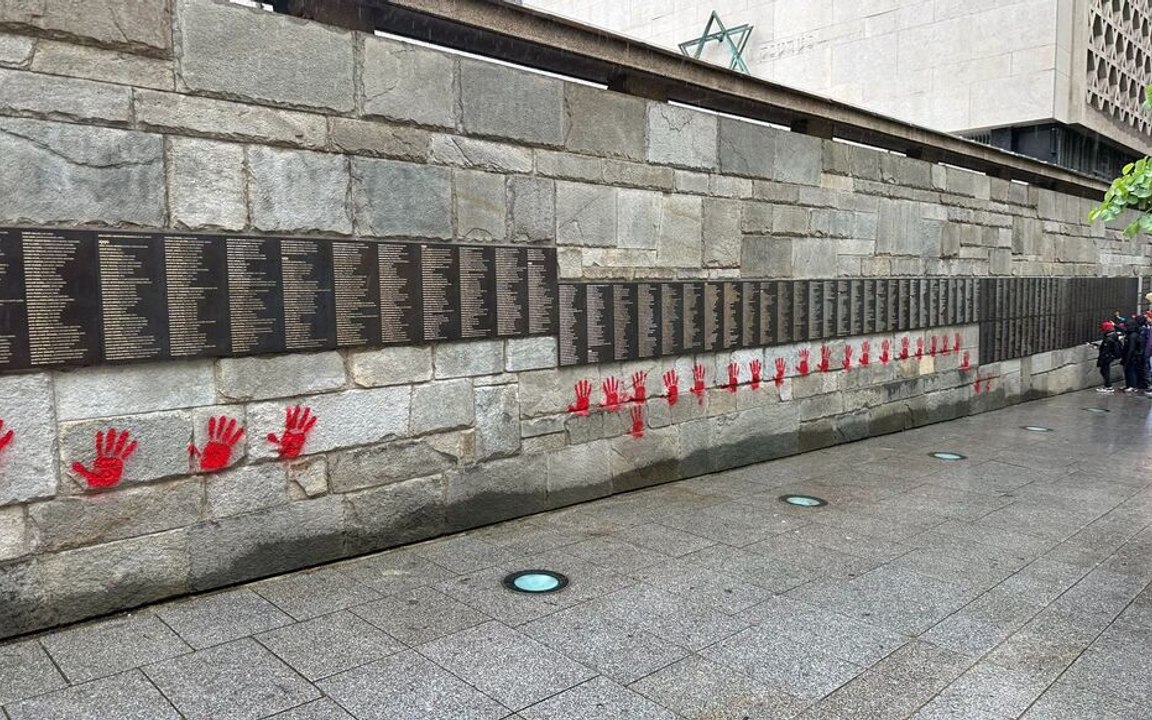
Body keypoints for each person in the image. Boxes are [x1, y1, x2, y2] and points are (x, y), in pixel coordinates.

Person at [1091, 320, 1122, 393]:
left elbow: (1105, 350)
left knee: (1105, 371)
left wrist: (1101, 360)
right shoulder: (1114, 335)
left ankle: (1108, 387)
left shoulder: (1108, 339)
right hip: (1110, 356)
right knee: (1105, 371)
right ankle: (1108, 386)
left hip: (1106, 357)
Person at [1121, 315, 1148, 392]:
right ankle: (1129, 385)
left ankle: (1132, 385)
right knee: (1128, 371)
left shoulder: (1133, 336)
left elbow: (1131, 348)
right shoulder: (1131, 334)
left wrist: (1128, 358)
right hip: (1129, 356)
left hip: (1132, 357)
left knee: (1131, 371)